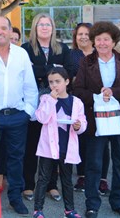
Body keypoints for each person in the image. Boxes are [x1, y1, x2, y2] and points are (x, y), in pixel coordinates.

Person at [73, 21, 120, 218]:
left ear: (113, 41)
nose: (102, 43)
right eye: (98, 40)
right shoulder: (86, 63)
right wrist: (96, 97)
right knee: (93, 163)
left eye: (106, 39)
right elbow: (78, 91)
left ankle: (118, 202)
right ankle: (92, 204)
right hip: (96, 121)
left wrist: (115, 92)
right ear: (94, 42)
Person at [0, 16, 38, 215]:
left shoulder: (21, 54)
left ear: (9, 30)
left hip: (16, 117)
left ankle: (15, 198)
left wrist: (27, 112)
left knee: (16, 160)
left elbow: (30, 86)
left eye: (3, 28)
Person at [21, 13, 74, 203]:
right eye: (40, 24)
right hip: (34, 102)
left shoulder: (63, 48)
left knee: (54, 145)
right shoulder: (26, 49)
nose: (44, 27)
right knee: (32, 144)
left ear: (53, 28)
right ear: (35, 28)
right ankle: (29, 184)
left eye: (48, 24)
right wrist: (52, 68)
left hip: (57, 102)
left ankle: (51, 185)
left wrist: (42, 70)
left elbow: (68, 70)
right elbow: (27, 72)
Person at [32, 67, 87, 218]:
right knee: (43, 178)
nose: (54, 85)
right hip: (48, 147)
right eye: (51, 82)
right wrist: (51, 100)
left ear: (67, 81)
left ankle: (69, 210)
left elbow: (82, 122)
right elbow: (41, 118)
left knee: (66, 179)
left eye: (58, 81)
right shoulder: (45, 99)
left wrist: (79, 126)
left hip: (67, 147)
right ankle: (38, 210)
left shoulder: (76, 102)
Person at [70, 22, 110, 194]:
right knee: (81, 140)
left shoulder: (100, 54)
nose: (83, 37)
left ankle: (102, 179)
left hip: (100, 103)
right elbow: (66, 76)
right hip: (79, 103)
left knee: (102, 141)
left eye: (87, 34)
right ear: (75, 37)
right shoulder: (70, 54)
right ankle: (82, 176)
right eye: (80, 34)